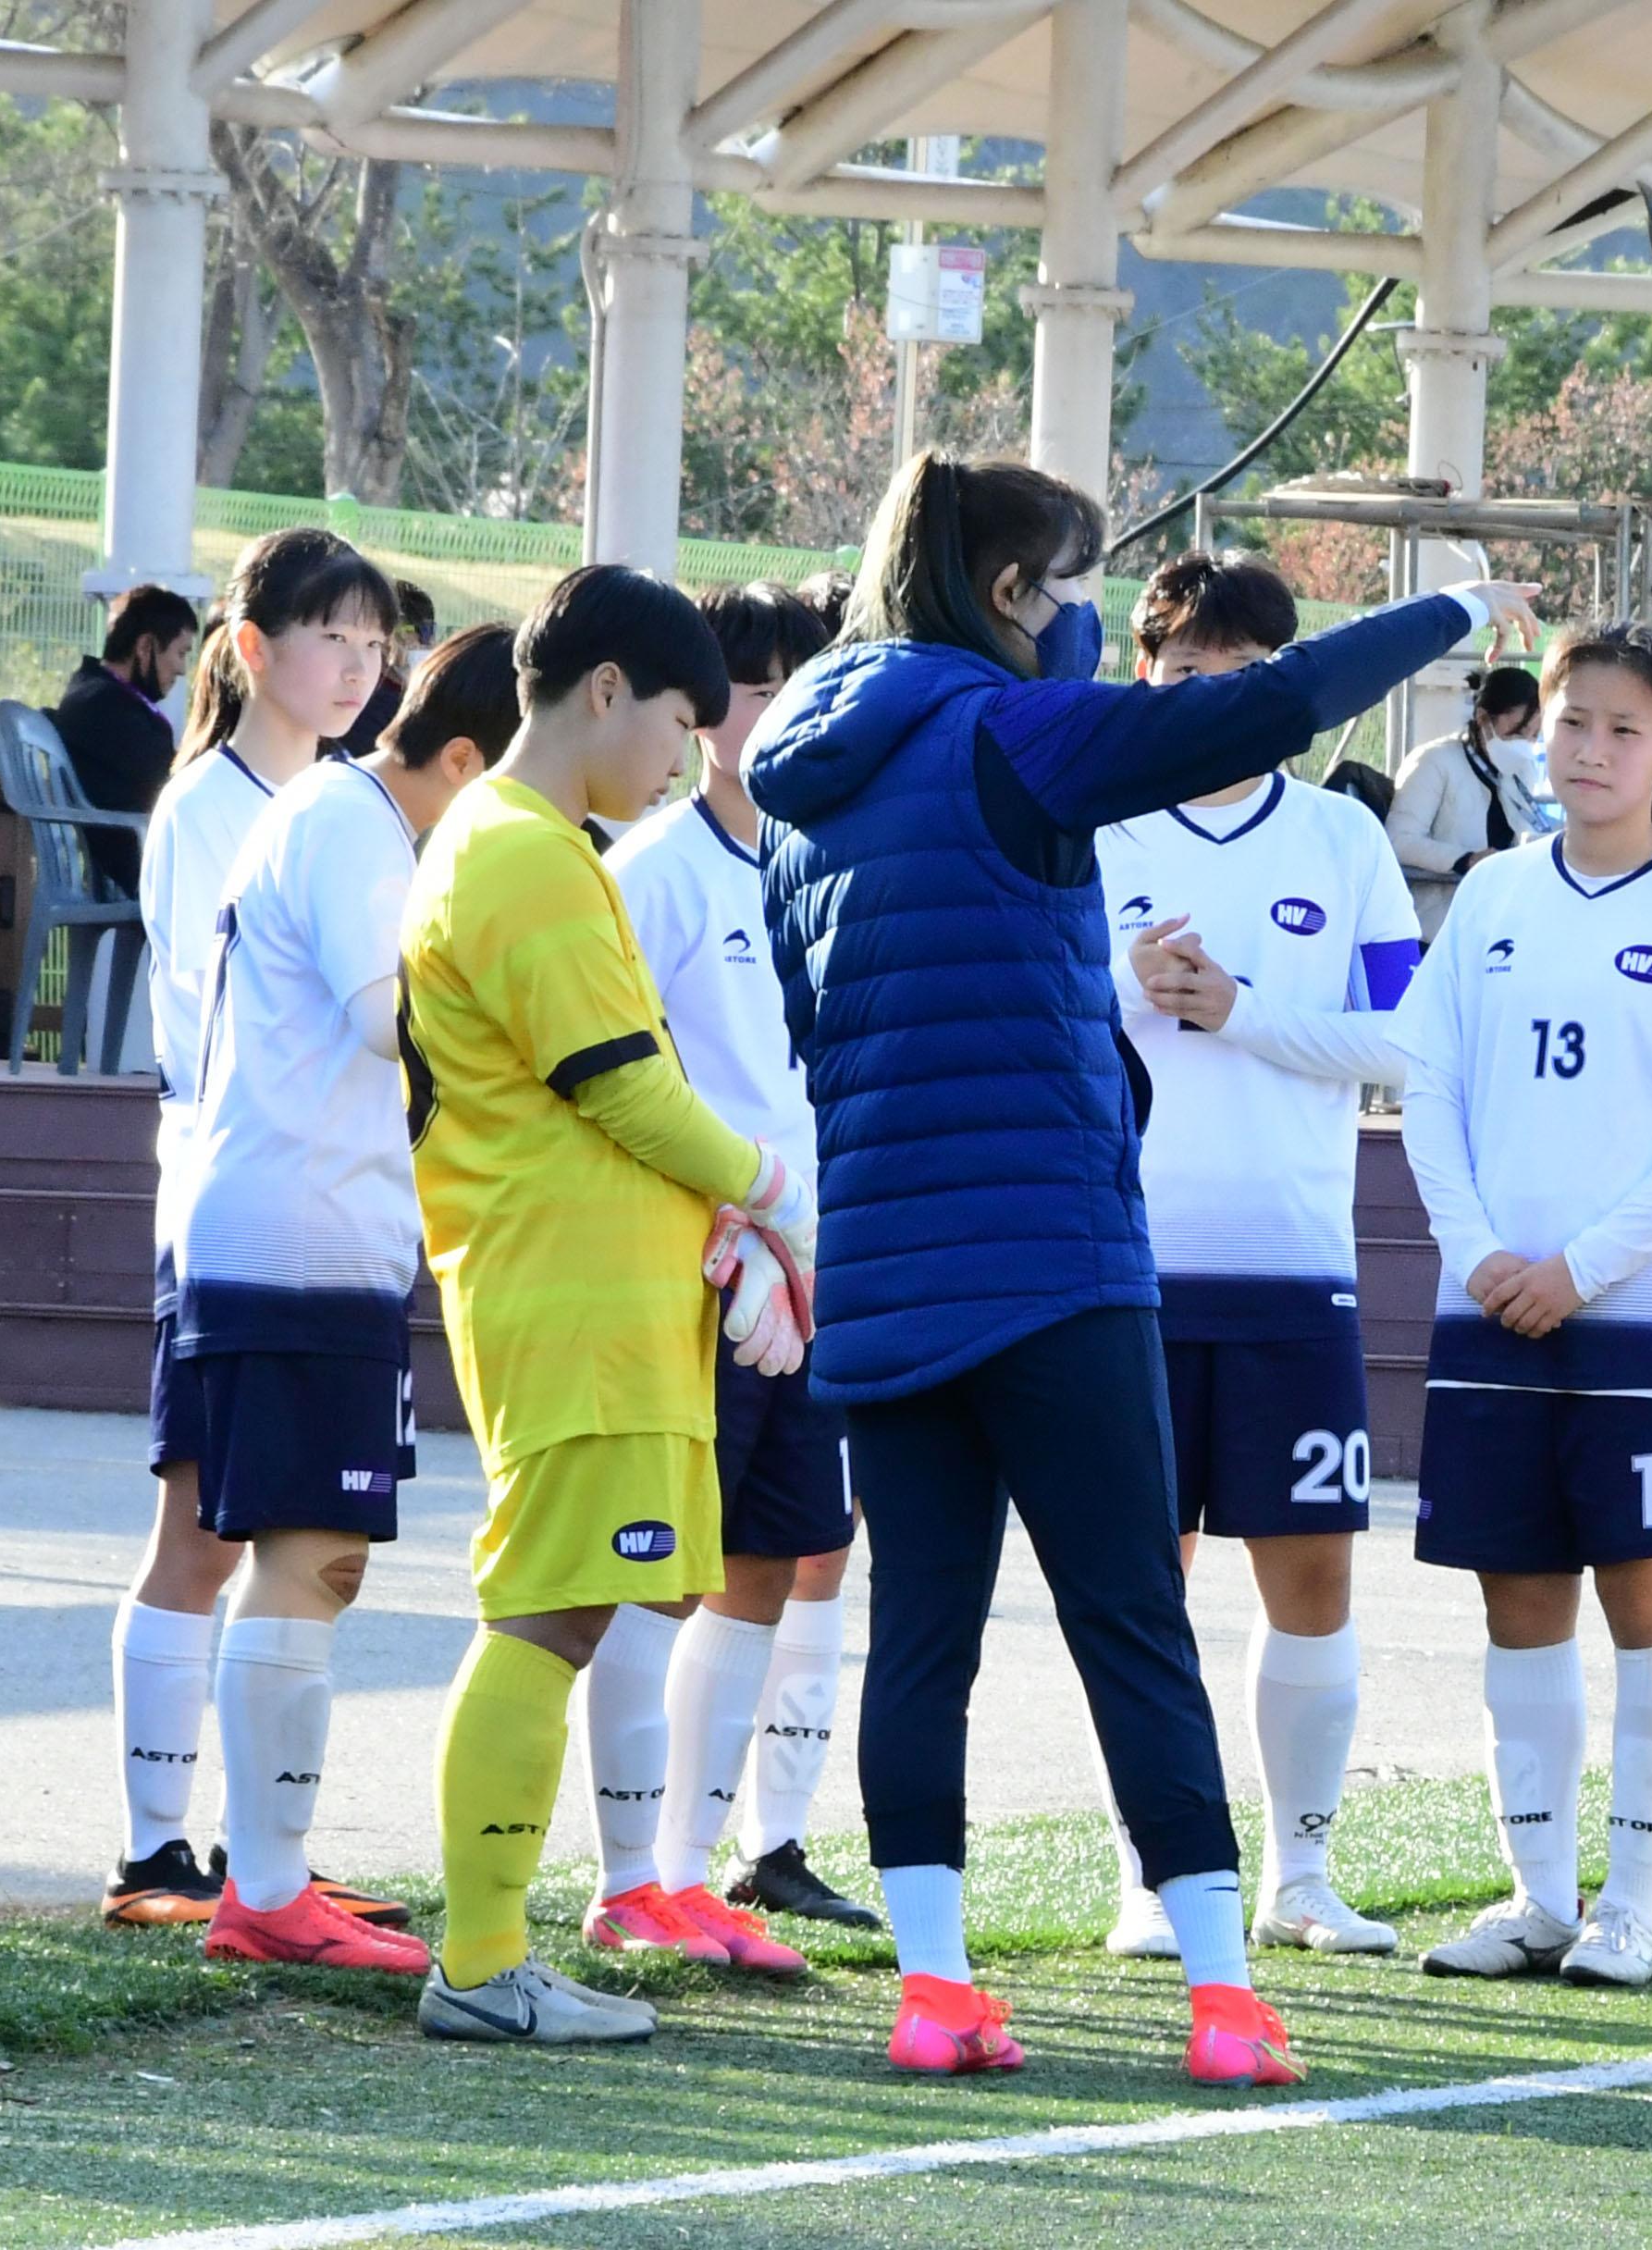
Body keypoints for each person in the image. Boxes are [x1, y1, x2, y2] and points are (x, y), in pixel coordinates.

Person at [745, 451, 1538, 2084]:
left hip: (889, 1265)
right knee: (1131, 1616)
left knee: (921, 1632)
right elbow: (1259, 710)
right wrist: (1459, 607)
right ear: (1012, 595)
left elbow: (815, 1032)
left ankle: (935, 1986)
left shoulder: (799, 784)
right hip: (1052, 1255)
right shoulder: (1007, 730)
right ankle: (1222, 1990)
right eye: (1067, 586)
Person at [402, 565, 820, 2046]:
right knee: (547, 1619)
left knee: (571, 1613)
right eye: (678, 720)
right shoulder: (517, 852)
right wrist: (768, 1190)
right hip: (564, 1301)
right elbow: (622, 1084)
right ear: (603, 693)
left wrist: (730, 1221)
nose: (683, 754)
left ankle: (490, 1950)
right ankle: (481, 1958)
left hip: (601, 1295)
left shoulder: (536, 845)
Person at [1392, 621, 1652, 1992]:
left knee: (1648, 1606)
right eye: (1573, 724)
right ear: (1536, 732)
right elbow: (1429, 1087)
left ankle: (1631, 1906)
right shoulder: (1495, 896)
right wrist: (1483, 1249)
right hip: (1489, 1308)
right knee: (1518, 1606)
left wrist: (1582, 1268)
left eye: (1626, 729)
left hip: (1644, 1317)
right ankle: (1540, 1900)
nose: (1594, 751)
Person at [1088, 552, 1424, 1962]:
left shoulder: (1343, 843)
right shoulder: (1090, 824)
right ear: (1146, 678)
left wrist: (1243, 1008)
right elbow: (1029, 1010)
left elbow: (1406, 1043)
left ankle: (1302, 1872)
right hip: (1127, 1274)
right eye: (1182, 674)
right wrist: (1122, 988)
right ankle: (1152, 1880)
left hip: (1294, 1273)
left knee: (1314, 1581)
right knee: (1135, 1588)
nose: (1210, 699)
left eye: (1242, 678)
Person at [169, 624, 512, 1976]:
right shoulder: (355, 824)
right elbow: (394, 1017)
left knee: (319, 1560)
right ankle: (264, 1892)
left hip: (315, 1230)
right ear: (473, 757)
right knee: (308, 1557)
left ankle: (273, 1875)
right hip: (297, 1235)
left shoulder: (347, 815)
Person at [105, 528, 408, 1932]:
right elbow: (208, 1040)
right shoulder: (210, 811)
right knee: (200, 1529)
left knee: (279, 1538)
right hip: (228, 1195)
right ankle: (154, 1845)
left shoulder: (348, 799)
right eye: (330, 637)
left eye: (374, 644)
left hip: (317, 1196)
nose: (355, 666)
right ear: (251, 650)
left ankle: (250, 1850)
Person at [602, 583, 876, 1961]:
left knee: (777, 1561)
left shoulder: (844, 861)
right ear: (702, 708)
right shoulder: (648, 869)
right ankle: (627, 1874)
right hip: (697, 1273)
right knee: (662, 1570)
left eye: (799, 687)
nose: (772, 716)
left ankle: (698, 1868)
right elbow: (609, 1078)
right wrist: (725, 1228)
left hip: (818, 1274)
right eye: (752, 688)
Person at [50, 585, 200, 894]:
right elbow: (173, 786)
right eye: (180, 653)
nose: (183, 669)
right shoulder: (105, 707)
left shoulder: (95, 694)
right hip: (141, 871)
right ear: (146, 646)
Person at [1389, 664, 1546, 938]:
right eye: (1516, 733)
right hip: (1436, 926)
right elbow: (1398, 840)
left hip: (1498, 926)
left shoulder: (1520, 769)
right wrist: (1465, 859)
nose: (1525, 745)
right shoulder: (1434, 762)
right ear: (1483, 718)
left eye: (1533, 736)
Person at [339, 579, 441, 758]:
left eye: (428, 631)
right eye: (416, 633)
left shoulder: (426, 695)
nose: (428, 643)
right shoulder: (370, 703)